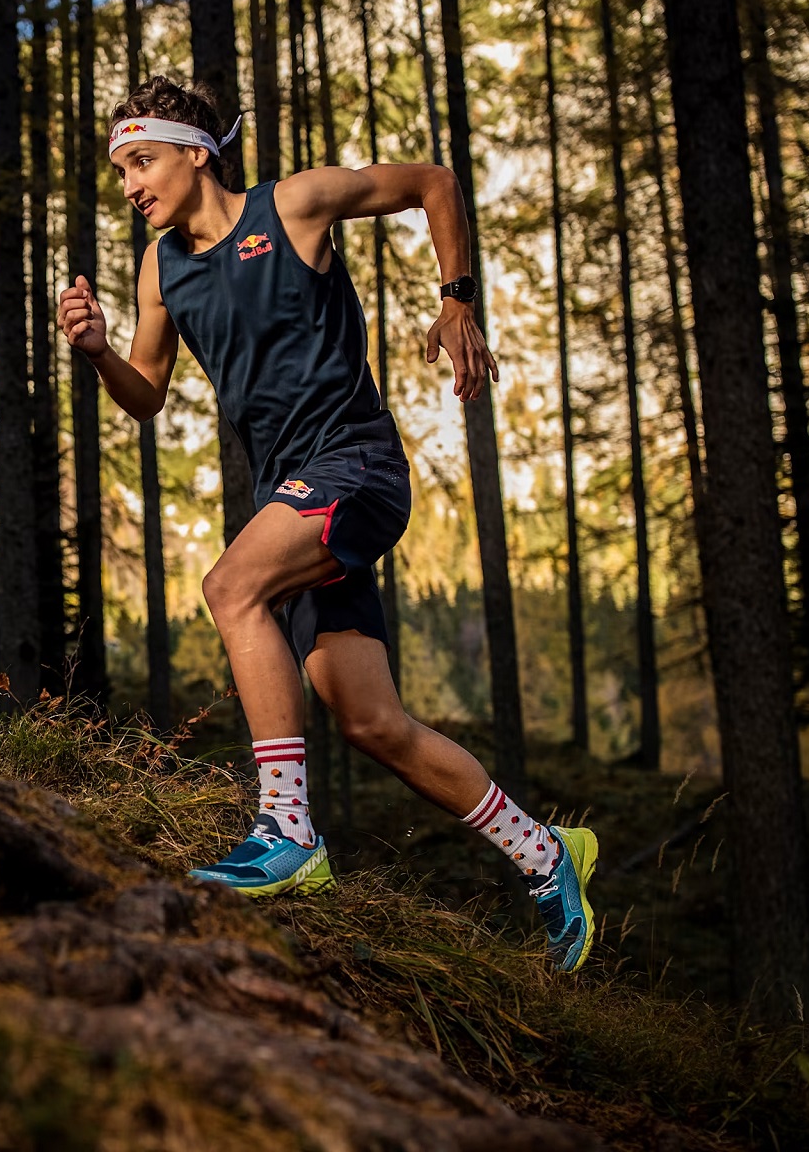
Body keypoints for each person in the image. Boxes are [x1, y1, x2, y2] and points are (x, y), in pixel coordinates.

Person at [58, 76, 597, 971]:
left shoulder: (294, 204)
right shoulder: (162, 268)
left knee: (232, 586)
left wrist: (458, 297)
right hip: (293, 489)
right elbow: (146, 398)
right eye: (119, 170)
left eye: (141, 161)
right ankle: (548, 855)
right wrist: (101, 351)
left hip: (356, 466)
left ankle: (287, 831)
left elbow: (434, 182)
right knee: (372, 722)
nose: (129, 186)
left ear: (196, 153)